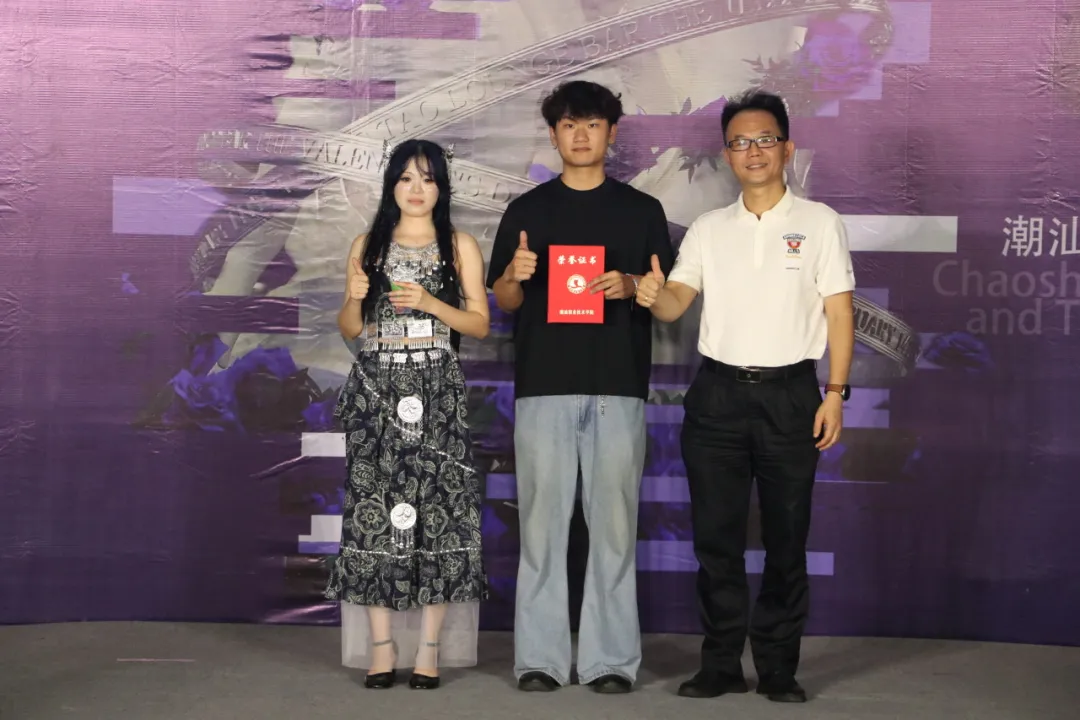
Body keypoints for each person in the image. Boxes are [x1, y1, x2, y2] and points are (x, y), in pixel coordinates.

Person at [635, 89, 855, 703]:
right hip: (718, 398)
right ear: (726, 154)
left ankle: (779, 668)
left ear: (786, 148)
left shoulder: (819, 223)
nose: (752, 151)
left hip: (792, 396)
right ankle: (721, 664)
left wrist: (835, 392)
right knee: (716, 541)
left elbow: (840, 313)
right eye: (739, 142)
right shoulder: (709, 229)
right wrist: (652, 294)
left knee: (786, 540)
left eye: (764, 140)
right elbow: (676, 302)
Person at [486, 79, 676, 694]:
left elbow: (663, 294)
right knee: (541, 528)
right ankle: (539, 659)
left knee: (614, 528)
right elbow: (505, 300)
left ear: (612, 132)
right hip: (544, 385)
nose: (581, 135)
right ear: (553, 134)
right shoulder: (527, 211)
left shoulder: (642, 211)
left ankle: (610, 660)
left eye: (592, 123)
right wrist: (513, 276)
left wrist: (632, 285)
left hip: (618, 385)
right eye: (569, 124)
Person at [324, 138, 490, 690]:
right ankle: (381, 647)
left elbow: (480, 324)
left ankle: (429, 649)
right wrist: (353, 297)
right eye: (406, 178)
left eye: (428, 178)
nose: (416, 189)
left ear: (442, 187)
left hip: (437, 391)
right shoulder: (367, 244)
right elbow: (351, 329)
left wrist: (431, 303)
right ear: (391, 184)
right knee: (374, 507)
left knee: (439, 509)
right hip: (378, 390)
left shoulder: (459, 245)